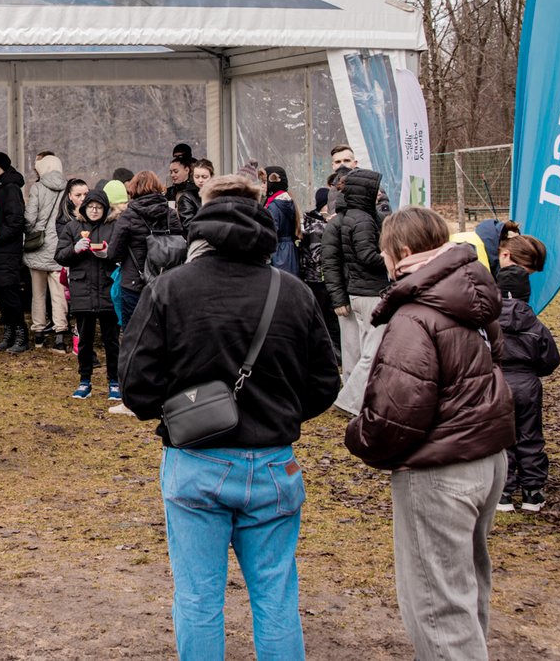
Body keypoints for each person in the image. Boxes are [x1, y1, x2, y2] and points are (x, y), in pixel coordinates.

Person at [120, 173, 340, 661]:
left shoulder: (169, 289)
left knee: (198, 598)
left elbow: (136, 385)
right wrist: (279, 414)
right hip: (273, 463)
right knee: (276, 597)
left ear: (201, 219)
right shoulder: (294, 292)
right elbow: (325, 383)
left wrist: (179, 413)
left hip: (196, 461)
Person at [345, 207, 515, 661]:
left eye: (384, 253)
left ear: (401, 252)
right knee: (464, 586)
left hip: (440, 470)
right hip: (485, 457)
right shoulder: (473, 293)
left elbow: (396, 411)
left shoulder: (416, 314)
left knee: (439, 606)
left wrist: (358, 435)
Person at [494, 234, 558, 513]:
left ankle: (504, 492)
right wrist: (533, 371)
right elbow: (550, 358)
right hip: (528, 386)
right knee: (530, 434)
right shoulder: (535, 325)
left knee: (501, 436)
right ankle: (533, 491)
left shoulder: (487, 323)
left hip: (497, 383)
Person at [332, 169, 389, 414]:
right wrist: (390, 257)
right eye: (375, 190)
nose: (379, 194)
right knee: (372, 351)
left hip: (361, 290)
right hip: (369, 292)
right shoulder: (363, 220)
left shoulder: (355, 217)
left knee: (367, 348)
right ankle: (350, 401)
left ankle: (359, 398)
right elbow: (366, 255)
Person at [57, 187, 120, 402]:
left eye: (99, 207)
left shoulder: (113, 227)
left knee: (112, 340)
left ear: (105, 209)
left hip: (107, 290)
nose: (94, 210)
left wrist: (108, 253)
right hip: (82, 290)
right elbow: (60, 255)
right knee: (84, 341)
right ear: (84, 208)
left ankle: (115, 382)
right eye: (91, 207)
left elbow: (122, 253)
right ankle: (85, 380)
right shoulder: (73, 227)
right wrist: (75, 249)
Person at [105, 171, 172, 330]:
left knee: (133, 331)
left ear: (133, 189)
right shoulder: (170, 214)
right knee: (161, 331)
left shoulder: (127, 216)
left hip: (134, 281)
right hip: (165, 280)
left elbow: (113, 254)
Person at [21, 152, 68, 354]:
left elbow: (30, 218)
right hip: (58, 248)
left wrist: (29, 230)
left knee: (38, 294)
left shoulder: (38, 188)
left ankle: (39, 334)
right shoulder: (67, 188)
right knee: (59, 294)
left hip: (38, 248)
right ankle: (60, 336)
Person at [0, 153, 30, 350]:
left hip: (7, 250)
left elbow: (15, 220)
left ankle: (21, 333)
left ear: (3, 167)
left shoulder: (10, 188)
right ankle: (10, 330)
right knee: (1, 291)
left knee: (8, 290)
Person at [299, 187, 340, 357]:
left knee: (327, 316)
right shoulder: (317, 227)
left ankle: (332, 352)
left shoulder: (315, 222)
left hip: (319, 277)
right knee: (325, 316)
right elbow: (318, 256)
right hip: (318, 278)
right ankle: (329, 353)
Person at [263, 166, 299, 273]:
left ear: (272, 184)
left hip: (278, 254)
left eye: (264, 182)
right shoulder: (288, 202)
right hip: (290, 252)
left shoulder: (273, 206)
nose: (262, 186)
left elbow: (270, 234)